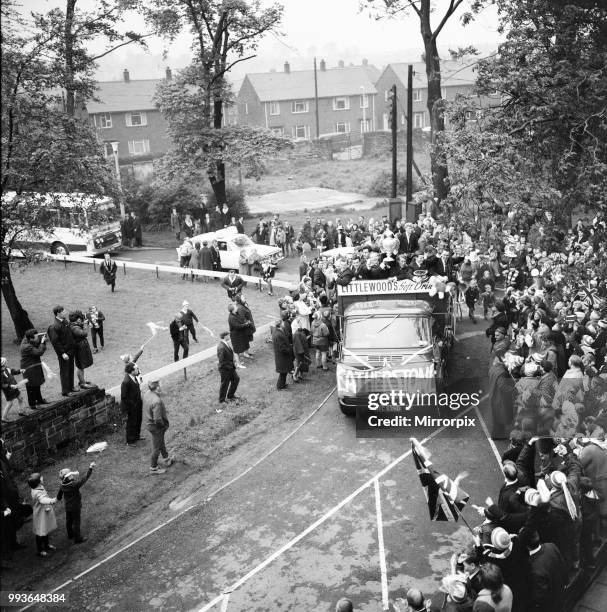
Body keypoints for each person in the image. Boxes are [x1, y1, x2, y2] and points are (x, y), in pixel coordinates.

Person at [526, 530, 566, 612]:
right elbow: (562, 565)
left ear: (526, 545)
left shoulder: (534, 568)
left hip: (550, 606)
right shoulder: (551, 546)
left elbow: (540, 597)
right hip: (560, 594)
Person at [56, 461, 95, 543]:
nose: (71, 475)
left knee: (69, 521)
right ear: (67, 477)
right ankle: (78, 538)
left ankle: (70, 534)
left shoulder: (62, 484)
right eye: (70, 475)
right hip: (75, 506)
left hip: (68, 506)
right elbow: (85, 478)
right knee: (76, 522)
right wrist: (90, 468)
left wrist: (58, 498)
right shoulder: (74, 485)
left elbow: (60, 493)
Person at [143, 380, 174, 475]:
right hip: (156, 427)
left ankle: (166, 458)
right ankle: (153, 468)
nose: (161, 386)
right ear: (157, 387)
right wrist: (163, 426)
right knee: (156, 448)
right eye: (160, 385)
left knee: (160, 441)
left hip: (148, 423)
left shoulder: (147, 393)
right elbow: (157, 419)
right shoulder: (157, 401)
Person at [47, 305, 77, 397]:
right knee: (65, 371)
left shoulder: (65, 321)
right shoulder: (54, 326)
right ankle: (65, 391)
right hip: (64, 352)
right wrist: (62, 353)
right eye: (63, 312)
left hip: (70, 350)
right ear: (58, 313)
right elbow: (55, 342)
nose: (65, 312)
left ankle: (71, 387)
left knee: (71, 369)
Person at [27, 472, 57, 557]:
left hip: (44, 512)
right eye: (41, 478)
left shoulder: (39, 487)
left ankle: (46, 545)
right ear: (37, 482)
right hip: (40, 514)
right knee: (40, 532)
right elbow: (42, 500)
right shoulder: (36, 492)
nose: (42, 479)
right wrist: (51, 500)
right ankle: (40, 550)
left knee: (45, 529)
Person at [19, 329, 49, 410]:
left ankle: (39, 400)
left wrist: (41, 340)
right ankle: (32, 404)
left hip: (33, 366)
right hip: (29, 368)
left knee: (37, 383)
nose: (37, 338)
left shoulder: (28, 340)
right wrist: (42, 342)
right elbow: (39, 352)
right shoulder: (26, 346)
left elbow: (36, 344)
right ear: (31, 338)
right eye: (36, 337)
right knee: (31, 386)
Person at [69, 311, 95, 390]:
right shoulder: (74, 327)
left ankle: (82, 381)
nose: (81, 320)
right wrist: (86, 325)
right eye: (80, 319)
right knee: (80, 366)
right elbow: (84, 333)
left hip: (80, 347)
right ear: (77, 319)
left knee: (81, 365)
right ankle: (82, 383)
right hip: (79, 348)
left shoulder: (74, 325)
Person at [121, 362, 143, 447]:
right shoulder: (126, 382)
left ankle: (137, 436)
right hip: (131, 406)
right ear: (131, 371)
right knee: (131, 422)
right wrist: (132, 405)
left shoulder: (134, 377)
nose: (138, 369)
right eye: (136, 368)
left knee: (138, 420)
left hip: (138, 404)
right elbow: (124, 397)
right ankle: (130, 441)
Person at [217, 331, 239, 408]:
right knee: (225, 384)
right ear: (225, 336)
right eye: (228, 335)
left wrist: (234, 363)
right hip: (225, 369)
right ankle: (222, 400)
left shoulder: (225, 343)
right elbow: (222, 361)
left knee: (236, 379)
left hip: (230, 367)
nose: (229, 335)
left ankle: (230, 395)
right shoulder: (221, 347)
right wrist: (230, 367)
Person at [272, 320, 293, 390]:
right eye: (282, 323)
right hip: (282, 357)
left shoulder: (278, 331)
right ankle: (280, 386)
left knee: (284, 372)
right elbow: (282, 348)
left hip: (281, 357)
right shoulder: (278, 334)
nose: (284, 323)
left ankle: (282, 384)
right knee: (283, 372)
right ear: (280, 325)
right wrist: (289, 350)